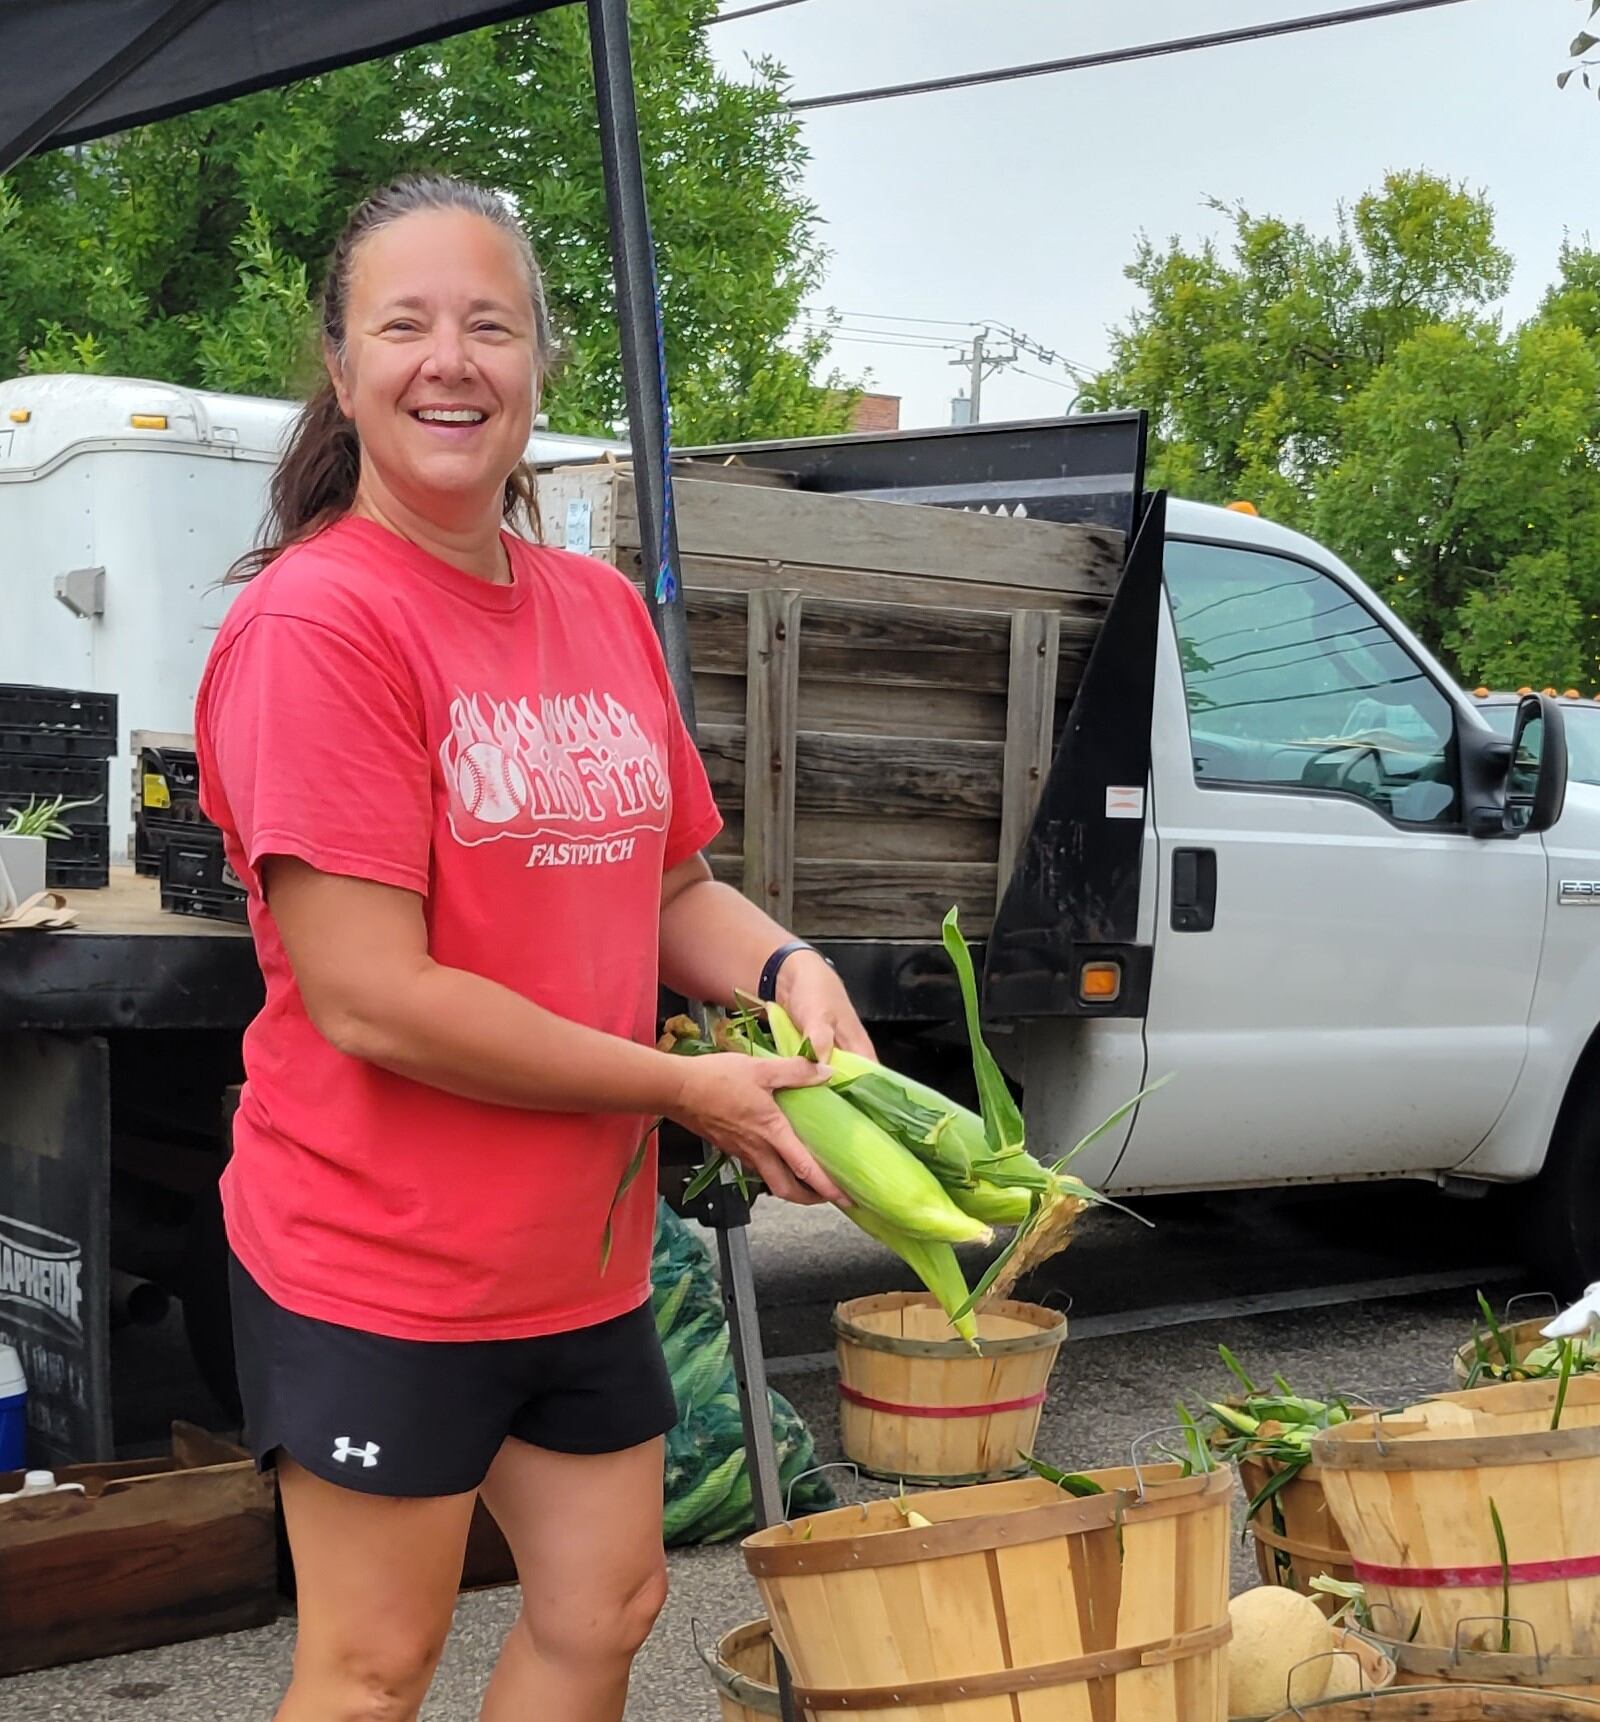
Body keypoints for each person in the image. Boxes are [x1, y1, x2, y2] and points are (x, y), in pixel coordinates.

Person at [196, 174, 874, 1722]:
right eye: (407, 324)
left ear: (541, 362)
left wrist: (781, 969)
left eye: (490, 325)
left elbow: (669, 882)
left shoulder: (595, 609)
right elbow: (373, 997)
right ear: (344, 365)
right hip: (379, 1257)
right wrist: (681, 1087)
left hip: (573, 1251)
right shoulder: (320, 628)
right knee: (372, 1666)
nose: (452, 360)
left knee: (607, 1600)